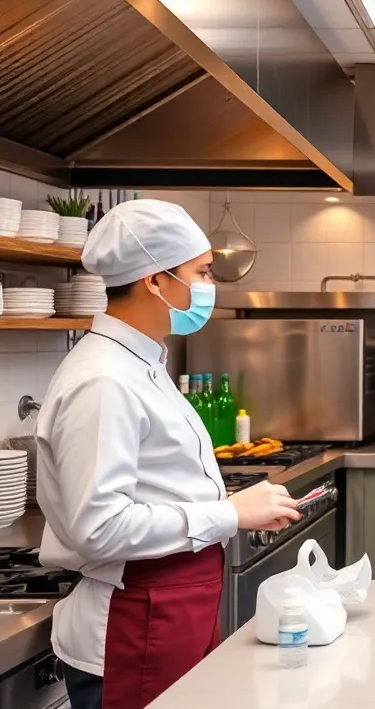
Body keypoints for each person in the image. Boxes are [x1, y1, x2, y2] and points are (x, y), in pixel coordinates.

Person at [37, 199, 301, 709]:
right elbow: (100, 526)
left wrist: (237, 510)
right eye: (201, 272)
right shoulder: (104, 380)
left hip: (172, 614)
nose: (209, 286)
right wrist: (228, 513)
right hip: (133, 628)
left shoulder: (143, 363)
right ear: (155, 281)